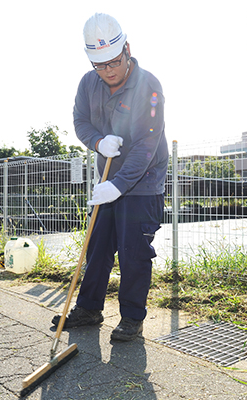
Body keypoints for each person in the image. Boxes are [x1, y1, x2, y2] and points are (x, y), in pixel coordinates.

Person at [51, 13, 168, 342]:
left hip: (142, 183)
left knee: (134, 250)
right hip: (106, 180)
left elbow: (146, 145)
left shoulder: (150, 86)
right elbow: (80, 121)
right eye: (100, 66)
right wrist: (98, 141)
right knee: (97, 245)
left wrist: (119, 185)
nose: (108, 71)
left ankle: (132, 317)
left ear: (127, 49)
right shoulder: (88, 84)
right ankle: (89, 308)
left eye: (114, 63)